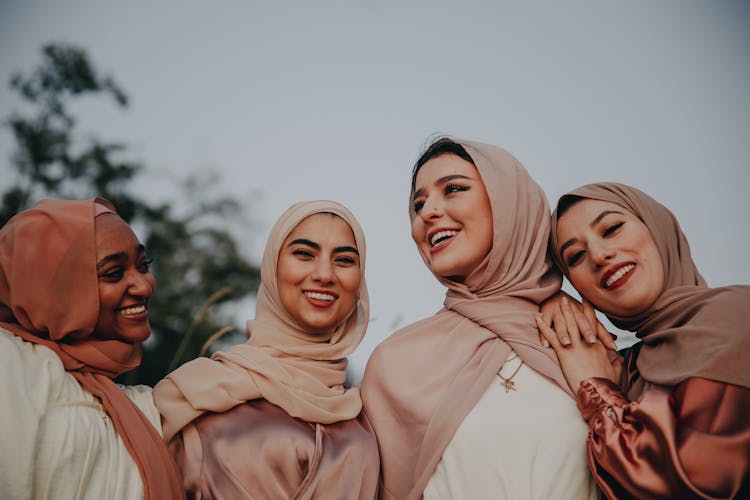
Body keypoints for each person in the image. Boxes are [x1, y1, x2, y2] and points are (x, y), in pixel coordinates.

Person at [361, 138, 599, 500]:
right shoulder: (394, 365)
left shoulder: (582, 335)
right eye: (418, 204)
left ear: (510, 203)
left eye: (453, 189)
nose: (427, 213)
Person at [154, 200, 379, 499]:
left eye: (345, 260)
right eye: (304, 254)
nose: (325, 274)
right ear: (272, 266)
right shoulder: (195, 391)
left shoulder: (368, 408)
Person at [538, 182, 750, 499]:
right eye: (576, 256)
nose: (598, 255)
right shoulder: (629, 365)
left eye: (611, 228)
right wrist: (547, 298)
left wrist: (596, 391)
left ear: (658, 227)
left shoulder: (735, 317)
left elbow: (693, 484)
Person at [0, 198, 185, 499]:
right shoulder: (10, 363)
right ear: (53, 286)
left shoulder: (134, 402)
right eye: (113, 273)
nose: (144, 286)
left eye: (143, 266)